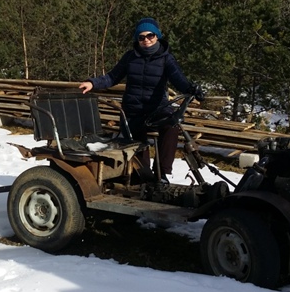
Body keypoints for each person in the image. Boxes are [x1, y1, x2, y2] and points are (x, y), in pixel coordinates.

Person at [79, 17, 203, 180]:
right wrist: (92, 83)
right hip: (133, 110)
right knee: (136, 144)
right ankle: (143, 177)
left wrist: (191, 89)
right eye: (141, 37)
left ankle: (163, 173)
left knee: (172, 125)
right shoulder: (130, 57)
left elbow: (178, 79)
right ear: (137, 39)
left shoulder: (166, 59)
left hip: (157, 109)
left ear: (157, 36)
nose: (146, 40)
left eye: (150, 35)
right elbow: (112, 77)